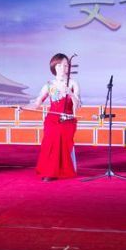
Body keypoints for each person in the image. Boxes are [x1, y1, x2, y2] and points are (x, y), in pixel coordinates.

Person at [24, 53, 80, 181]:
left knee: (59, 134)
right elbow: (37, 103)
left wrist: (71, 94)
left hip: (68, 119)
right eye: (59, 65)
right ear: (54, 67)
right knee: (49, 140)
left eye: (65, 65)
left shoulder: (73, 83)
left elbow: (77, 106)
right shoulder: (49, 85)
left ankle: (53, 172)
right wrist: (23, 107)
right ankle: (49, 171)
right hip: (52, 119)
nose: (63, 68)